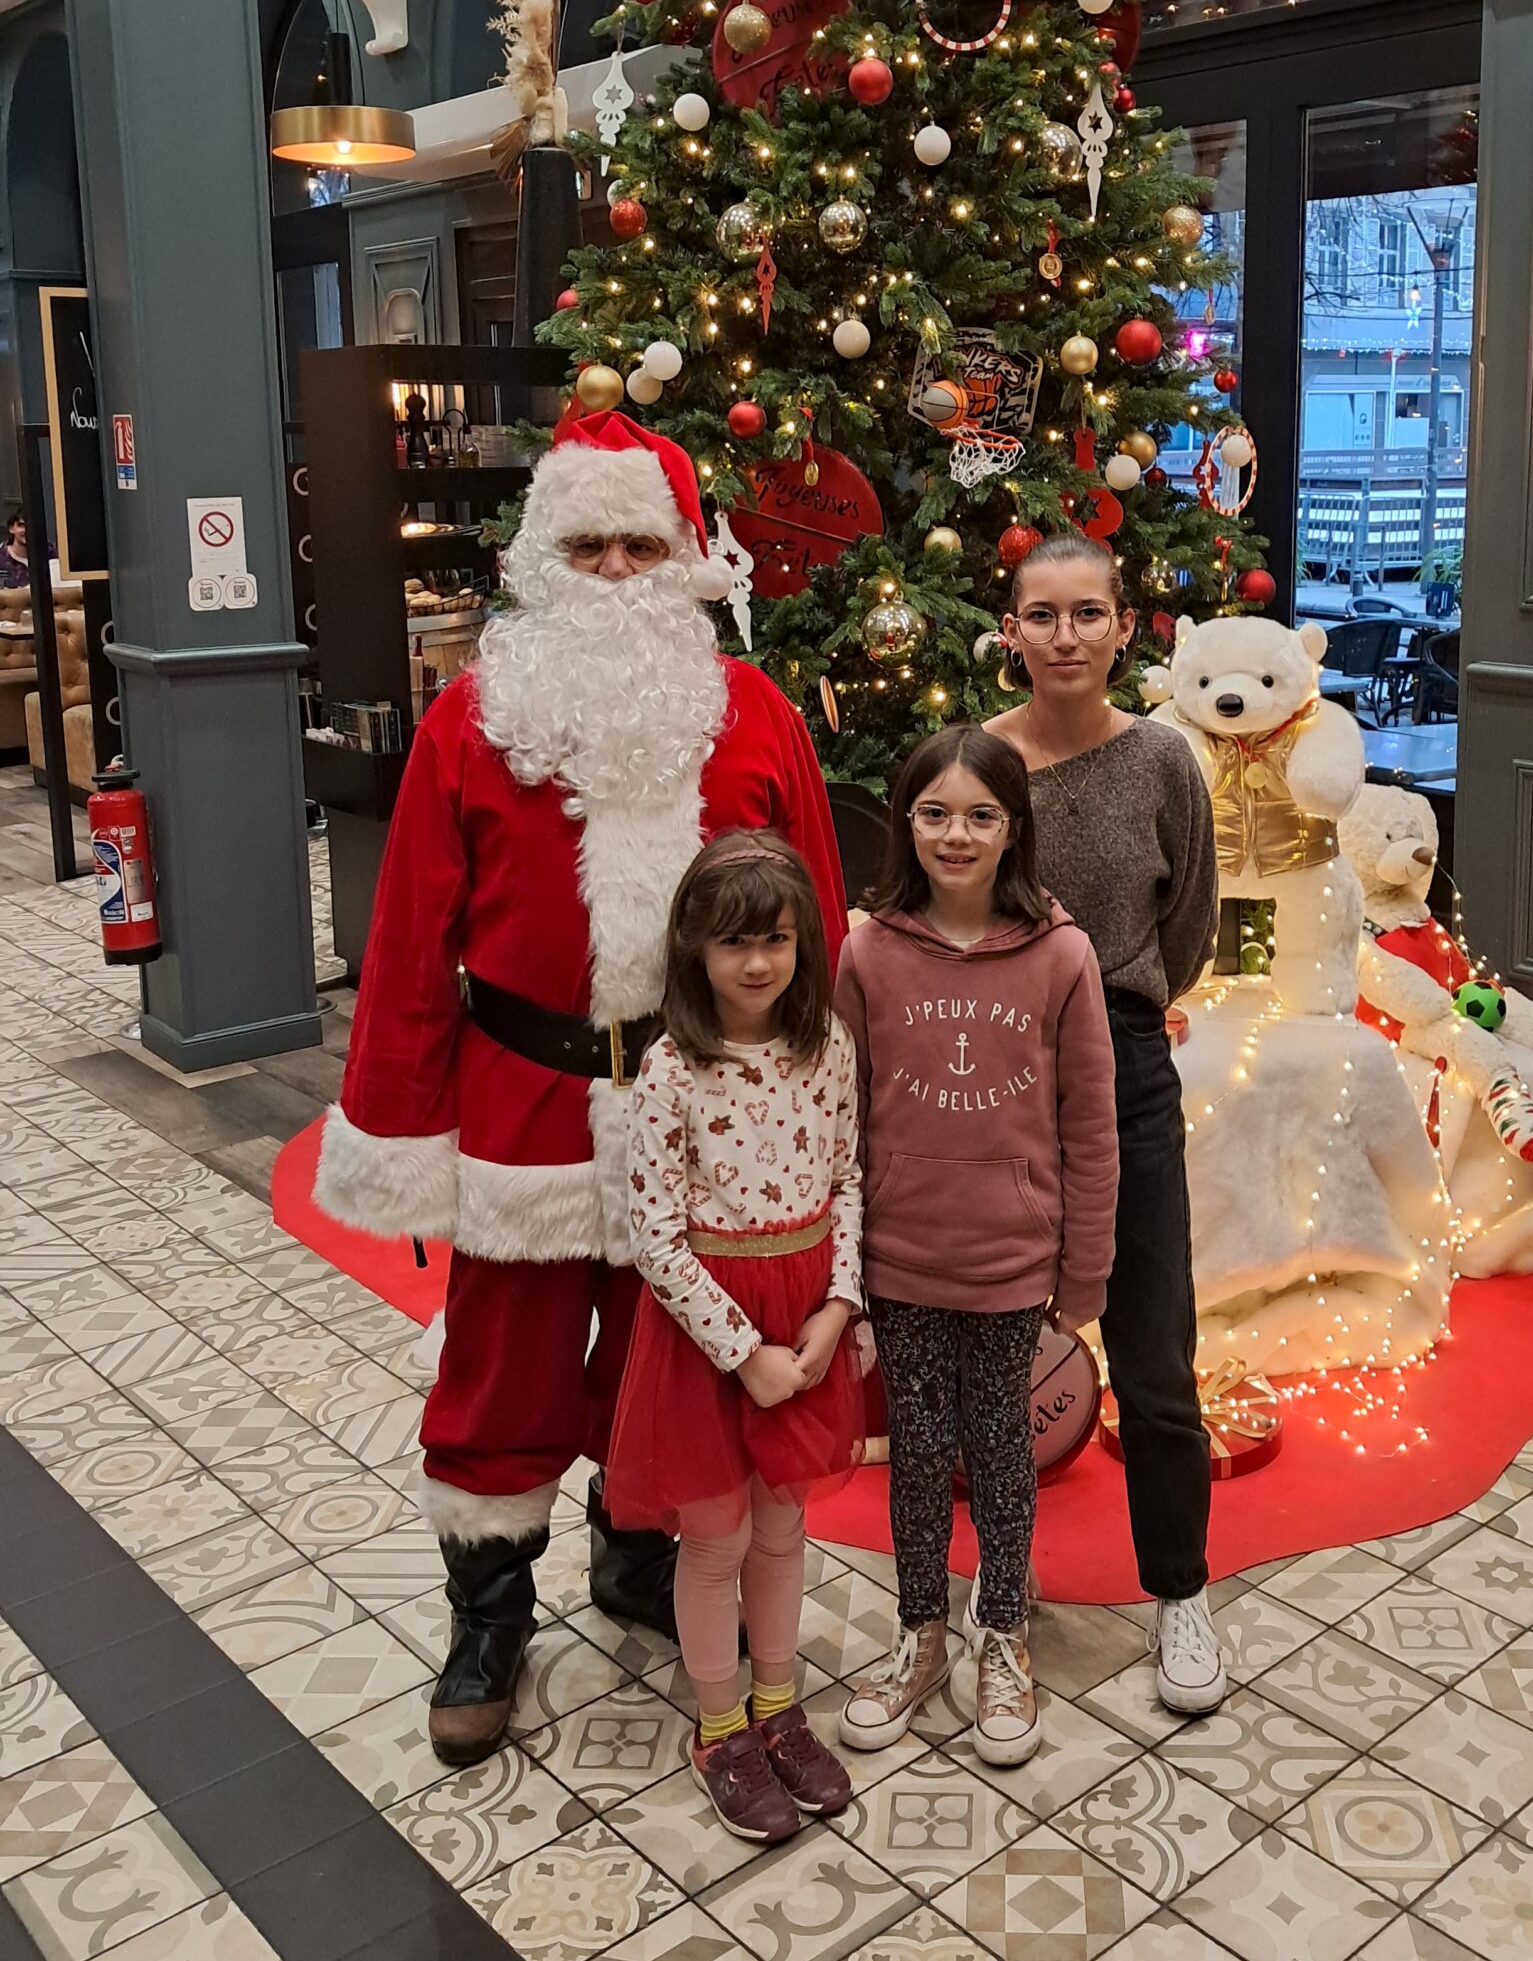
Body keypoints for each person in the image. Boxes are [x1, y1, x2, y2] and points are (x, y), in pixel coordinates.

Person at [314, 411, 848, 1766]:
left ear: (683, 559)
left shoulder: (759, 719)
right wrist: (400, 1126)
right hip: (525, 1114)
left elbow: (820, 932)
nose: (615, 571)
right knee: (502, 1378)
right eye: (587, 544)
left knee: (674, 1364)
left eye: (638, 544)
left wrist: (825, 1115)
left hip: (712, 1119)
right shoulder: (466, 724)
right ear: (542, 559)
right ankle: (486, 1617)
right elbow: (411, 946)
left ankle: (637, 1554)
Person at [834, 725, 1118, 1765]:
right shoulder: (867, 951)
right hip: (900, 1257)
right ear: (906, 823)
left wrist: (1083, 1266)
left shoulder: (1063, 954)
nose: (957, 834)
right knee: (915, 1448)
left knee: (999, 1442)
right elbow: (841, 1113)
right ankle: (919, 1631)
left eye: (982, 815)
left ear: (1014, 830)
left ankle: (1002, 1629)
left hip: (1012, 1264)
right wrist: (843, 1268)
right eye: (936, 812)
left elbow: (1088, 1124)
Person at [985, 534, 1227, 1713]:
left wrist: (1120, 999)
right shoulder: (985, 762)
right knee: (992, 1338)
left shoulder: (1164, 761)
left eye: (1090, 613)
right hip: (995, 1068)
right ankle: (1000, 1593)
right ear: (1012, 627)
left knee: (1153, 1341)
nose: (1067, 635)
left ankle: (1179, 1588)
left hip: (1125, 1064)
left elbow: (1192, 922)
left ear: (1125, 627)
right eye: (1045, 614)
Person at [608, 832, 863, 1843]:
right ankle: (718, 1726)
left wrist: (837, 1310)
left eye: (778, 940)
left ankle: (775, 1701)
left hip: (804, 1321)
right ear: (694, 950)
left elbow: (850, 1180)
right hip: (712, 1334)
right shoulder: (671, 1070)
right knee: (713, 1535)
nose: (758, 962)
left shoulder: (827, 1047)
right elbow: (654, 1236)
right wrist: (740, 1350)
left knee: (781, 1523)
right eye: (733, 943)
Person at [0, 509, 29, 588]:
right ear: (11, 529)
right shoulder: (2, 558)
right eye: (21, 525)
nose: (26, 530)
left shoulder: (51, 555)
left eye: (31, 525)